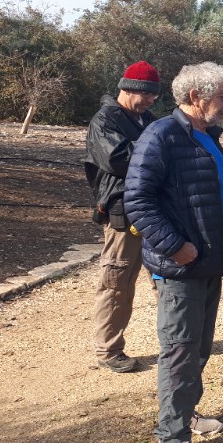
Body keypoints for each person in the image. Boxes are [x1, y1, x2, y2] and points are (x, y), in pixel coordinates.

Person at [124, 62, 223, 442]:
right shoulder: (161, 136)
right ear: (196, 96)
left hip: (209, 264)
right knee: (179, 353)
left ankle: (185, 416)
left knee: (199, 351)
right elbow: (138, 201)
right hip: (182, 267)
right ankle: (172, 435)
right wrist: (175, 247)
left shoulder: (207, 135)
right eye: (222, 97)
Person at [83, 60, 160, 373]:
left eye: (154, 96)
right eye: (148, 95)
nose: (152, 100)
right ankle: (109, 351)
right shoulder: (105, 121)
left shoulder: (145, 118)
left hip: (153, 210)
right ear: (129, 89)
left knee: (163, 277)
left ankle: (177, 340)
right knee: (117, 283)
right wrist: (157, 152)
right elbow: (120, 161)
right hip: (121, 214)